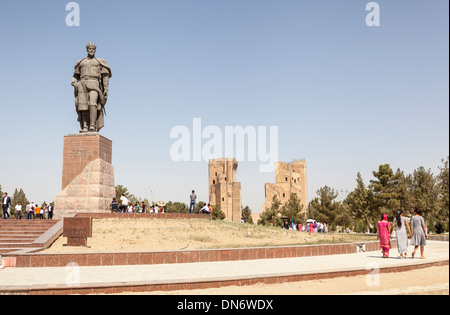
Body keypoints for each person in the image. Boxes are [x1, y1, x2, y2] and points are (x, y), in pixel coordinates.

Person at [71, 43, 112, 133]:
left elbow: (105, 76)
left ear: (95, 50)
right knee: (82, 106)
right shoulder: (81, 62)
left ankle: (92, 125)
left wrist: (106, 89)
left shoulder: (99, 61)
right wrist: (74, 83)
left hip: (94, 84)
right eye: (90, 49)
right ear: (87, 49)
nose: (91, 50)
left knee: (92, 104)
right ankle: (85, 126)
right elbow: (75, 76)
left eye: (93, 49)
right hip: (82, 84)